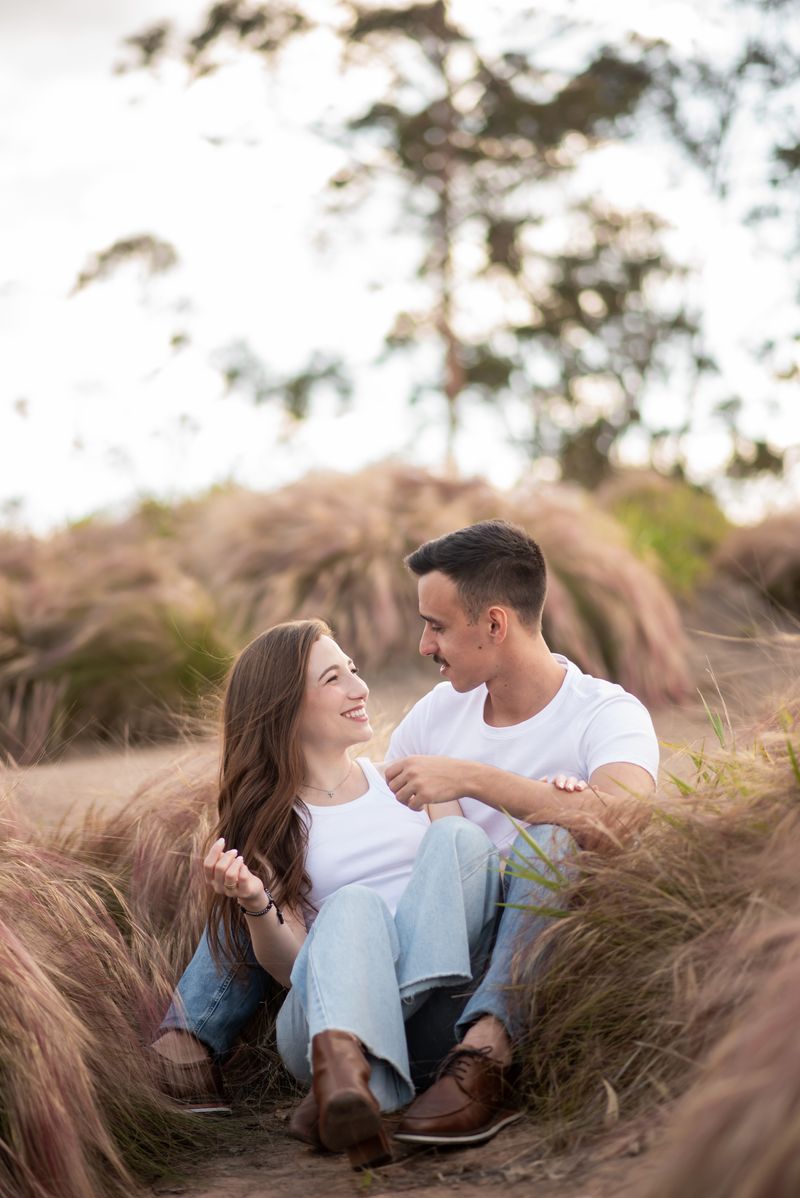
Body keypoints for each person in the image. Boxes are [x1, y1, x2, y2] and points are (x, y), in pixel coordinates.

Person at [152, 519, 658, 1150]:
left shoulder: (606, 713)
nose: (423, 645)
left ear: (494, 624)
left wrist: (478, 782)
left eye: (436, 626)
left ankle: (463, 1057)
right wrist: (256, 894)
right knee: (343, 898)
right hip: (402, 951)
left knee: (521, 841)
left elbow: (621, 818)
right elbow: (349, 830)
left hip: (502, 944)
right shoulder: (436, 714)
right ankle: (258, 1046)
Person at [159, 616, 505, 1169]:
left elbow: (471, 900)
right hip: (317, 1029)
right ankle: (341, 1061)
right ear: (284, 706)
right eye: (333, 679)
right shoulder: (271, 826)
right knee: (353, 905)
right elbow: (294, 970)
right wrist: (255, 903)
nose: (359, 688)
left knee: (459, 840)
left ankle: (346, 1077)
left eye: (354, 670)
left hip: (437, 1026)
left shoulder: (410, 782)